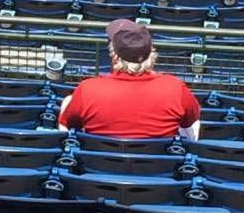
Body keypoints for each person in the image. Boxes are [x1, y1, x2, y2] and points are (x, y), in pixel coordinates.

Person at [59, 19, 200, 139]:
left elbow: (71, 123)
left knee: (68, 102)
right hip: (159, 167)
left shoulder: (88, 88)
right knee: (192, 123)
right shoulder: (174, 87)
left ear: (114, 56)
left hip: (98, 167)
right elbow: (190, 120)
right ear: (151, 54)